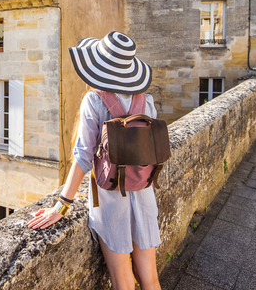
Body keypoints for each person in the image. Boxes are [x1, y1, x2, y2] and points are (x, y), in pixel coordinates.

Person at [28, 31, 161, 290]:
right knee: (150, 278)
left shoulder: (95, 100)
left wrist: (61, 206)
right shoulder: (147, 101)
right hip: (144, 196)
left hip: (111, 203)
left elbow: (83, 156)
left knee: (123, 280)